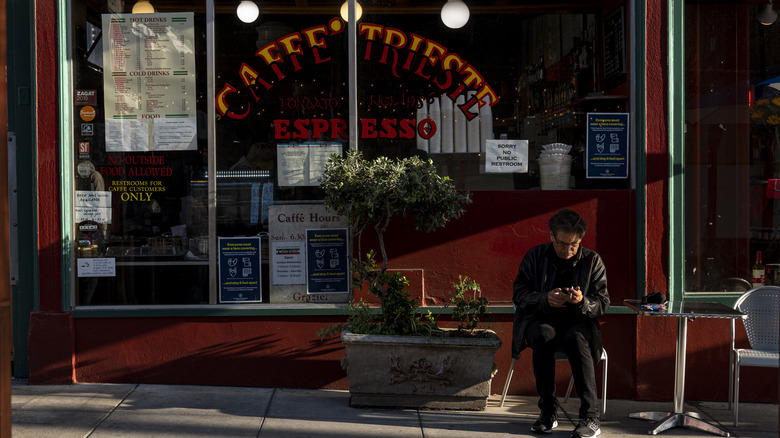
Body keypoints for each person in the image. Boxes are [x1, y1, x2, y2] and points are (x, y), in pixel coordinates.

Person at [512, 209, 609, 438]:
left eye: (574, 244)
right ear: (551, 236)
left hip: (579, 322)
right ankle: (547, 413)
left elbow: (602, 303)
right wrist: (544, 298)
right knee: (542, 335)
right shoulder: (535, 256)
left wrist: (581, 301)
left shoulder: (592, 260)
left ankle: (590, 418)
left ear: (580, 239)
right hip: (543, 319)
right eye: (562, 244)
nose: (568, 250)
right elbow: (519, 294)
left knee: (576, 338)